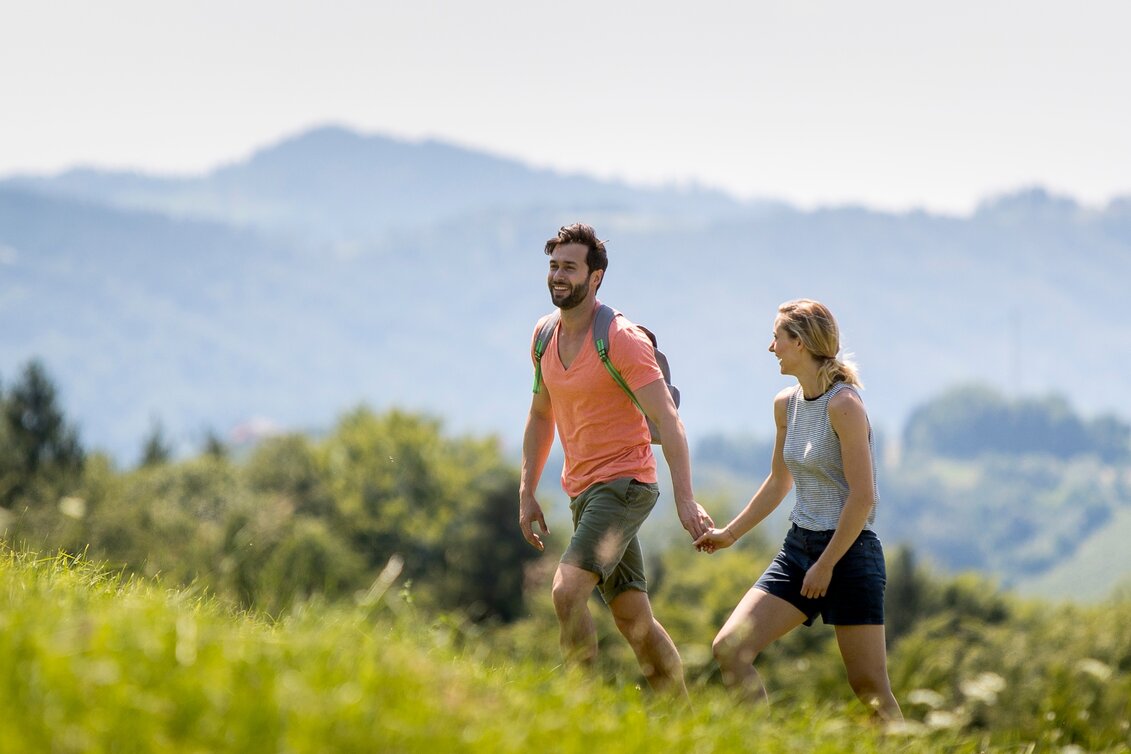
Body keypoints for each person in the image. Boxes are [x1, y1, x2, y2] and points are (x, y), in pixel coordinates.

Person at [519, 222, 714, 698]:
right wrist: (526, 492)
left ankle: (580, 709)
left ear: (596, 276)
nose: (558, 276)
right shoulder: (544, 337)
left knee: (567, 592)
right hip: (585, 491)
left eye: (570, 267)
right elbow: (541, 415)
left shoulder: (622, 339)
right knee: (633, 619)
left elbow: (669, 421)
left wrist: (686, 500)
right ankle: (681, 721)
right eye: (553, 266)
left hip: (625, 488)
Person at [694, 299, 903, 721]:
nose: (771, 347)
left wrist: (826, 565)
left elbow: (864, 497)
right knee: (731, 649)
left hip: (849, 553)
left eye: (777, 337)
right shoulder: (785, 404)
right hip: (798, 549)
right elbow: (779, 481)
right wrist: (730, 535)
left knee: (870, 688)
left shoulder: (845, 405)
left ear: (801, 343)